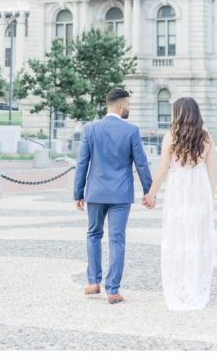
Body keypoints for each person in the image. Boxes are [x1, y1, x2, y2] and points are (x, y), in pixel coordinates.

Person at [73, 87, 153, 304]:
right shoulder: (131, 131)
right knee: (117, 240)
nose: (129, 108)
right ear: (119, 106)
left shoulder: (90, 129)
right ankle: (113, 290)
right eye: (128, 104)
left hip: (96, 192)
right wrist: (149, 191)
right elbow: (141, 163)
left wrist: (78, 192)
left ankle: (93, 282)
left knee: (93, 235)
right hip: (120, 194)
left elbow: (82, 163)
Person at [144, 96, 217, 310]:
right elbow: (212, 171)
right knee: (197, 237)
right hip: (199, 188)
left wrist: (151, 194)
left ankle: (180, 284)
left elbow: (162, 170)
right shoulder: (206, 136)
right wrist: (212, 197)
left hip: (179, 189)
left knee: (178, 236)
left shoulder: (171, 136)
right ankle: (195, 285)